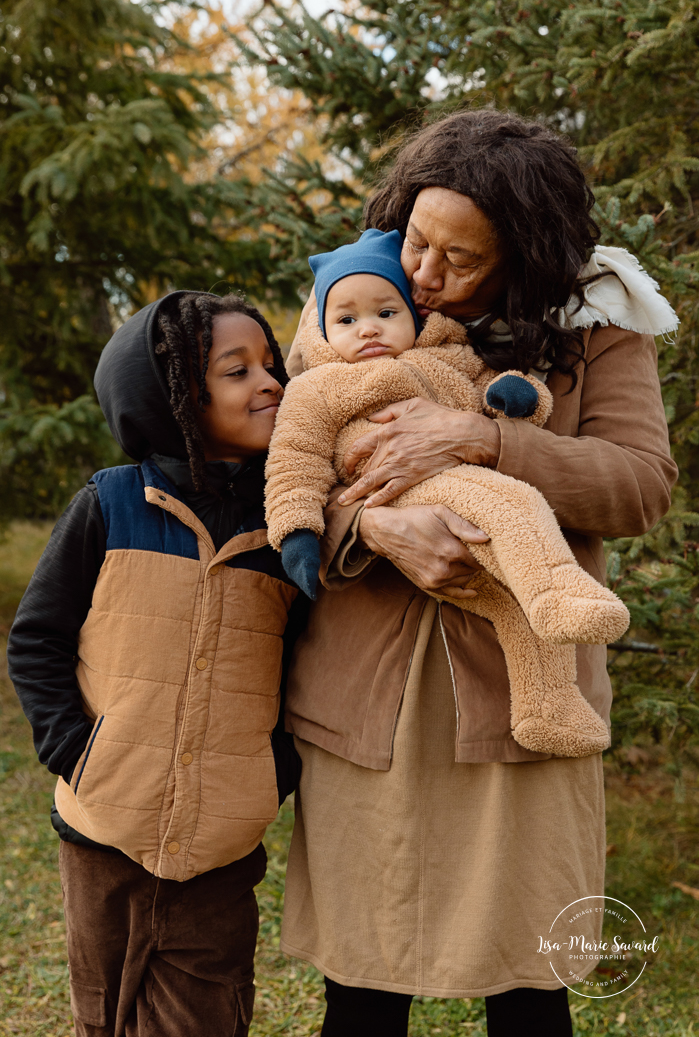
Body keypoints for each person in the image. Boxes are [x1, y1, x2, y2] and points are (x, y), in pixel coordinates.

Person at [279, 111, 678, 1035]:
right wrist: (375, 529)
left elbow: (641, 485)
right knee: (361, 994)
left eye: (459, 260)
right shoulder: (358, 294)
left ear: (528, 257)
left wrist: (489, 440)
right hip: (364, 698)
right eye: (418, 240)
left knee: (531, 993)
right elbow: (290, 463)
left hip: (520, 699)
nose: (423, 274)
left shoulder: (597, 322)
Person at [7, 291, 306, 1037]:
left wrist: (270, 773)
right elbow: (37, 639)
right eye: (237, 371)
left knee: (207, 1015)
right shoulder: (110, 505)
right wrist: (76, 752)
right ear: (168, 396)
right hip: (104, 828)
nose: (271, 382)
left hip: (222, 845)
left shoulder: (286, 530)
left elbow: (307, 666)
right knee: (103, 1017)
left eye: (271, 365)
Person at [265, 226, 636, 759]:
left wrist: (515, 401)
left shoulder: (449, 359)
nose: (367, 330)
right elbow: (292, 460)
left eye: (385, 314)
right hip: (414, 496)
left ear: (415, 317)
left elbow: (497, 393)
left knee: (511, 610)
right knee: (513, 503)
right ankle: (557, 590)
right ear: (322, 330)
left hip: (460, 493)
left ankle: (548, 707)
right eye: (346, 321)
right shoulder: (317, 387)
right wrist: (299, 530)